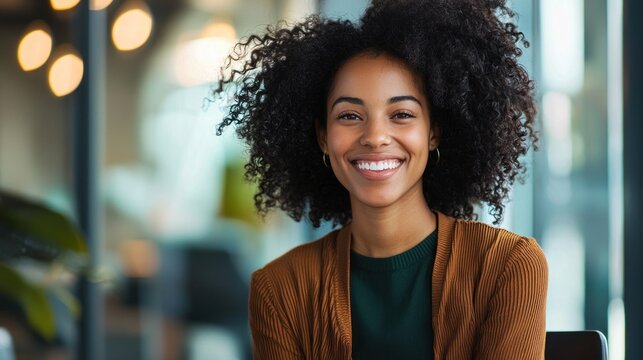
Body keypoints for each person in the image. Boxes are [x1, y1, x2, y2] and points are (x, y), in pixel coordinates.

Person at [213, 0, 548, 358]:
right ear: (323, 137)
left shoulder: (507, 266)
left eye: (401, 114)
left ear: (433, 132)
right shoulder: (280, 289)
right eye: (350, 116)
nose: (375, 137)